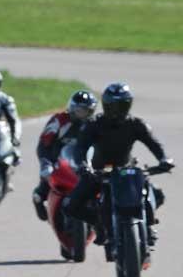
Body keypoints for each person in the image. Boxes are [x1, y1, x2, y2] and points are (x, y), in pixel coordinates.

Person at [65, 83, 174, 244]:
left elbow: (154, 144)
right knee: (71, 206)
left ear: (128, 105)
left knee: (157, 195)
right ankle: (100, 224)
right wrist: (83, 166)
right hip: (98, 172)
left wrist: (164, 159)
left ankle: (148, 226)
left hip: (127, 171)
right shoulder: (94, 124)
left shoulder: (135, 124)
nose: (116, 111)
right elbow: (80, 147)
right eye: (112, 106)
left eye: (121, 105)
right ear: (105, 105)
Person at [31, 90, 98, 221]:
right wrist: (46, 162)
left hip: (86, 163)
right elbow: (44, 143)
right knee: (43, 187)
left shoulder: (94, 124)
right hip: (59, 162)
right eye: (79, 110)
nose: (82, 115)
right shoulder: (59, 120)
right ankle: (39, 198)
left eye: (86, 111)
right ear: (72, 108)